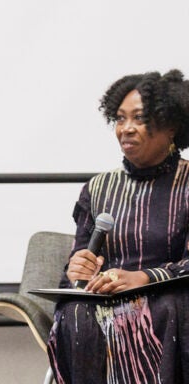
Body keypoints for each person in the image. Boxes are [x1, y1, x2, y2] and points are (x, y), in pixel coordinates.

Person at [47, 69, 189, 383]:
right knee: (75, 312)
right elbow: (79, 260)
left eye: (139, 119)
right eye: (120, 119)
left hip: (170, 301)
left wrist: (143, 278)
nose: (126, 129)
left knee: (167, 308)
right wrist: (78, 271)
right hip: (107, 301)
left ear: (172, 126)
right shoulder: (98, 188)